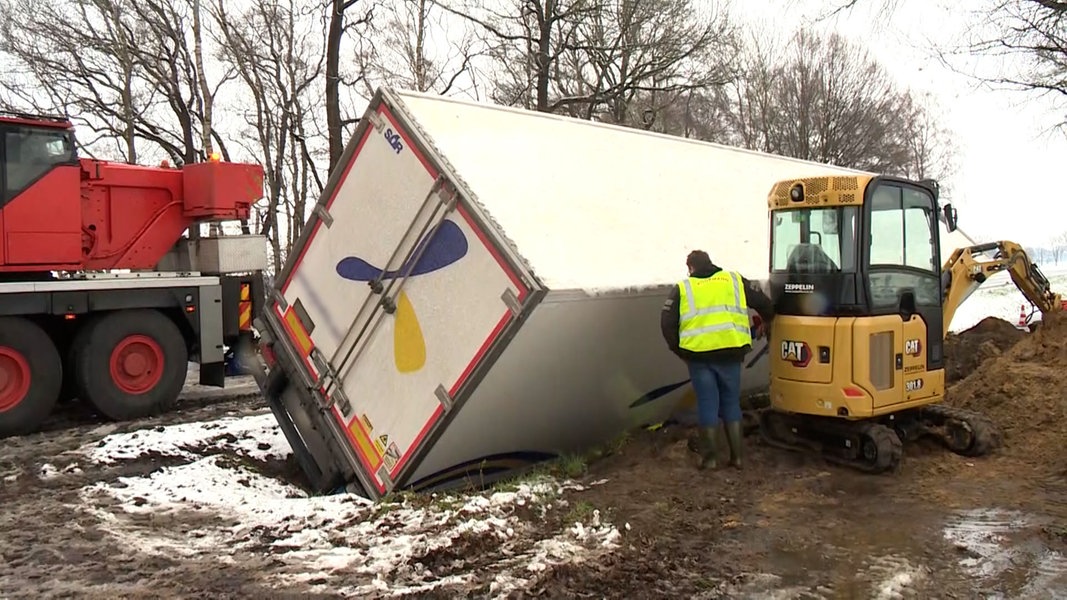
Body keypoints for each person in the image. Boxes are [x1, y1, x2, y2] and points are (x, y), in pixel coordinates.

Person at [660, 250, 774, 470]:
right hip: (730, 354)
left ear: (690, 268)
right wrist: (766, 321)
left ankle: (710, 460)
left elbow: (667, 324)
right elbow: (764, 303)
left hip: (699, 357)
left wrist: (680, 351)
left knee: (707, 404)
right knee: (731, 402)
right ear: (711, 263)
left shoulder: (683, 288)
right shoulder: (734, 279)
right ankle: (738, 458)